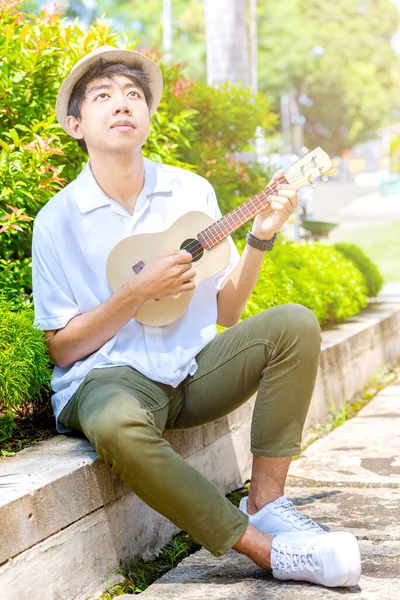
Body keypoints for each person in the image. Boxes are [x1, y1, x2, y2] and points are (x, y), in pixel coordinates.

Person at [32, 45, 361, 588]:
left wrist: (262, 235)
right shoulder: (57, 221)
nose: (123, 105)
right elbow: (62, 348)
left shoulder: (190, 192)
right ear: (75, 124)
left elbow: (227, 310)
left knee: (295, 323)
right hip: (111, 379)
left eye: (134, 95)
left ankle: (268, 504)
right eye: (104, 96)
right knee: (116, 424)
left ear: (147, 115)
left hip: (190, 369)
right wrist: (136, 292)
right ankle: (266, 550)